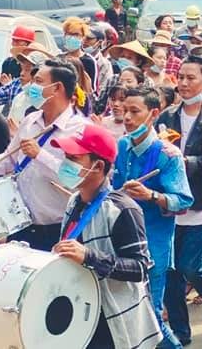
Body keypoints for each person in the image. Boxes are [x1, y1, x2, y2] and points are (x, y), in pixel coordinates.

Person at [51, 124, 163, 349]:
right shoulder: (74, 202)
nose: (65, 164)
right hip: (83, 312)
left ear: (98, 166)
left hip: (114, 320)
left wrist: (90, 256)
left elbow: (140, 268)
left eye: (74, 158)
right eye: (66, 157)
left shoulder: (123, 210)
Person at [0, 60, 87, 251]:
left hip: (58, 228)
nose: (31, 87)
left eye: (38, 81)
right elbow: (9, 158)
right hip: (21, 224)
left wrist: (40, 155)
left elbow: (76, 178)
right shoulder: (30, 121)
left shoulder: (81, 130)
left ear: (57, 88)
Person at [113, 86, 193, 349]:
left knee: (151, 316)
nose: (127, 118)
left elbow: (183, 201)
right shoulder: (122, 145)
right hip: (122, 241)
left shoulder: (168, 155)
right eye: (125, 111)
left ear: (154, 114)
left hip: (153, 244)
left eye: (135, 112)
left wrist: (152, 196)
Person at [157, 56, 202, 343]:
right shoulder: (167, 117)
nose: (184, 84)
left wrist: (180, 160)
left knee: (190, 264)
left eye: (191, 78)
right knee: (172, 270)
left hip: (200, 201)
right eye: (181, 78)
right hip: (171, 200)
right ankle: (180, 331)